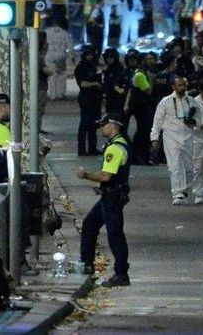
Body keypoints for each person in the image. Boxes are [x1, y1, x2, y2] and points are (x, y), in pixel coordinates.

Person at [77, 112, 131, 287]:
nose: (101, 127)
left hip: (113, 195)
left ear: (113, 125)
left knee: (115, 234)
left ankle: (121, 273)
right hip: (112, 194)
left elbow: (106, 176)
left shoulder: (115, 148)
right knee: (90, 224)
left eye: (103, 124)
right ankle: (86, 265)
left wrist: (85, 175)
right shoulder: (120, 143)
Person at [150, 77, 196, 204]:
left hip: (188, 137)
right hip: (171, 137)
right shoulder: (166, 102)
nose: (182, 88)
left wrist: (194, 122)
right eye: (180, 85)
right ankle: (177, 193)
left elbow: (199, 119)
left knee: (189, 167)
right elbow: (157, 120)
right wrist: (154, 137)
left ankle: (184, 189)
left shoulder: (192, 102)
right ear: (173, 87)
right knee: (174, 166)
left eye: (184, 85)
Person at [126, 53, 155, 164]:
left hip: (141, 106)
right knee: (143, 131)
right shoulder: (140, 75)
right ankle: (137, 156)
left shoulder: (139, 73)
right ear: (142, 62)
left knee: (143, 131)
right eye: (147, 59)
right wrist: (151, 79)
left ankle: (139, 156)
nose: (149, 62)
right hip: (141, 107)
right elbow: (148, 91)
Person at [75, 47, 103, 156]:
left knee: (94, 125)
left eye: (92, 54)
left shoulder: (93, 67)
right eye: (88, 55)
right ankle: (81, 149)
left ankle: (92, 148)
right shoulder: (81, 68)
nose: (90, 57)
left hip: (95, 99)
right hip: (86, 99)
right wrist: (95, 84)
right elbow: (82, 84)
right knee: (84, 125)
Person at [45, 19, 74, 100]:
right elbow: (70, 46)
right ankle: (60, 93)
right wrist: (72, 56)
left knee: (52, 75)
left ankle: (53, 95)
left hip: (50, 54)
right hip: (61, 54)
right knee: (61, 74)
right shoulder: (64, 33)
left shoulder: (47, 32)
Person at [101, 47, 127, 113]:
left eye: (111, 57)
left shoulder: (119, 69)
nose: (109, 59)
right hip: (109, 98)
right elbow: (106, 83)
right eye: (107, 57)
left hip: (117, 98)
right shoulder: (107, 69)